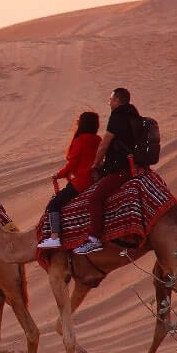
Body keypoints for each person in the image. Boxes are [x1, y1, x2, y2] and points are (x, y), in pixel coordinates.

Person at [74, 87, 141, 255]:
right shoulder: (134, 115)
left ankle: (94, 239)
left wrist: (96, 163)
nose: (109, 102)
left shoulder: (117, 117)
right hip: (134, 166)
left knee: (95, 198)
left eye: (110, 99)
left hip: (120, 170)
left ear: (117, 100)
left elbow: (105, 144)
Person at [37, 111, 101, 249]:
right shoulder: (98, 140)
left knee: (53, 204)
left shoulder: (80, 141)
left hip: (82, 183)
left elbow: (72, 165)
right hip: (95, 182)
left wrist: (58, 175)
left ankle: (55, 237)